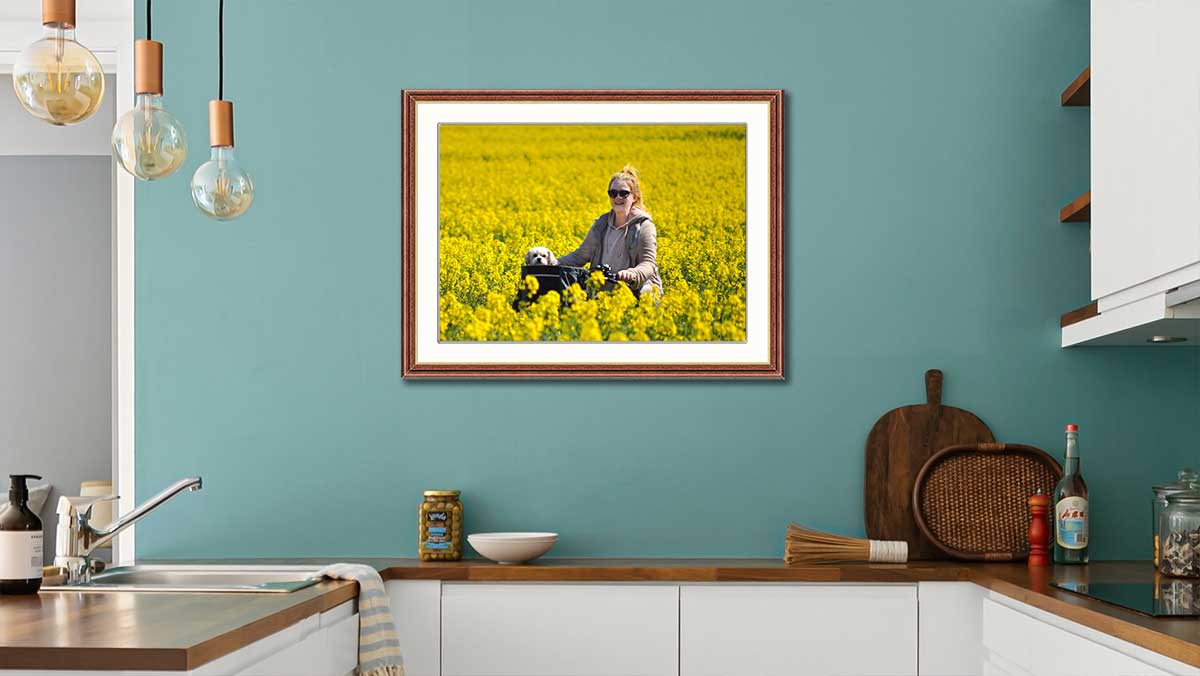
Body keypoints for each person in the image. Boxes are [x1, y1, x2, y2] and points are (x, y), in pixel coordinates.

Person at [557, 165, 663, 297]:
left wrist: (632, 274)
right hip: (603, 290)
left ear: (635, 197)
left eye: (623, 193)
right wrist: (551, 262)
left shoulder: (644, 225)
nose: (617, 197)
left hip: (636, 290)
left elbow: (648, 263)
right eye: (613, 193)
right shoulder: (601, 224)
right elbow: (580, 256)